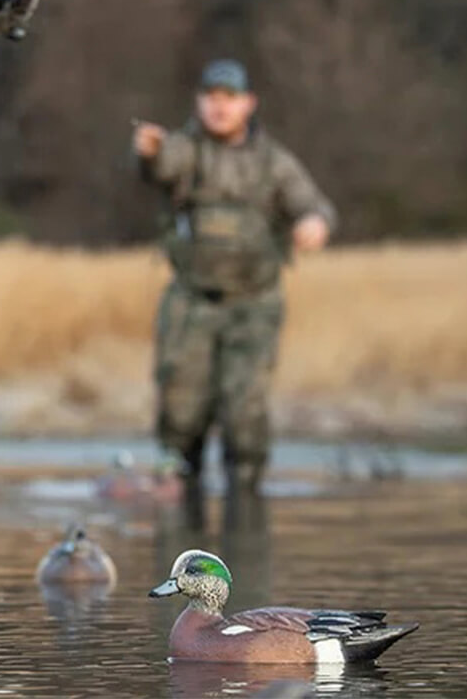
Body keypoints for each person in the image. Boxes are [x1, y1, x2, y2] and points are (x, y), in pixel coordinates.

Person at [132, 58, 337, 494]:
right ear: (199, 102)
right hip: (191, 302)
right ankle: (178, 504)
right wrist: (149, 152)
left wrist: (313, 224)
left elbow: (313, 205)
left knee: (245, 415)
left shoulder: (274, 162)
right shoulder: (186, 150)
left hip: (254, 304)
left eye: (229, 98)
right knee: (181, 409)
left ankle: (245, 509)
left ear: (248, 104)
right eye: (211, 98)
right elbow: (161, 167)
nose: (219, 107)